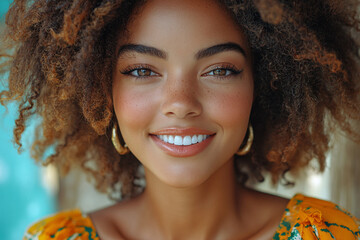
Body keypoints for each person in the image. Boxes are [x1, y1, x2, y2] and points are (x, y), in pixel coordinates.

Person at [1, 0, 360, 239]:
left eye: (219, 70)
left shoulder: (327, 234)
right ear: (100, 90)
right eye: (142, 70)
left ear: (263, 87)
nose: (180, 103)